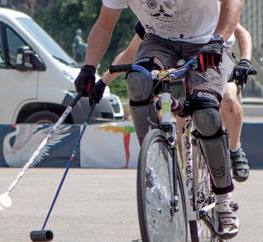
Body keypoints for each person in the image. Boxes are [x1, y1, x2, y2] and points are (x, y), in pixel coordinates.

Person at [75, 0, 243, 238]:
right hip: (160, 40)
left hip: (205, 41)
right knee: (137, 82)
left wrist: (217, 40)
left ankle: (224, 200)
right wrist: (89, 68)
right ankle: (155, 161)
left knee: (208, 113)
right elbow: (104, 24)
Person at [101, 21, 252, 183]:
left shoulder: (209, 5)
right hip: (180, 68)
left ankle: (234, 149)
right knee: (180, 118)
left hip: (214, 61)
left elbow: (241, 32)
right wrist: (101, 83)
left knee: (228, 100)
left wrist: (245, 61)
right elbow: (130, 52)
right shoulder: (162, 12)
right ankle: (187, 179)